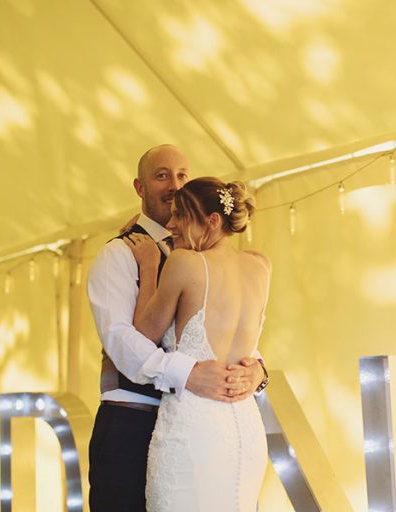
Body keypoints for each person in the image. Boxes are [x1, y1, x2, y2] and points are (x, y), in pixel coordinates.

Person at [87, 145, 267, 511]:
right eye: (161, 175)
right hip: (133, 420)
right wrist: (188, 374)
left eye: (182, 175)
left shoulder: (200, 256)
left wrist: (257, 371)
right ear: (139, 187)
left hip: (203, 423)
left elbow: (224, 332)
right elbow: (121, 339)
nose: (174, 184)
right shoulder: (119, 254)